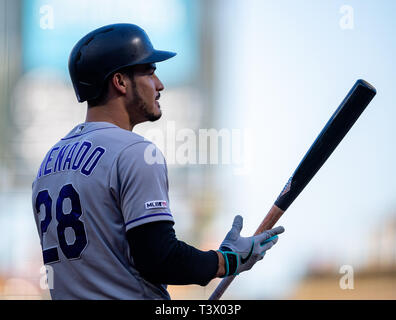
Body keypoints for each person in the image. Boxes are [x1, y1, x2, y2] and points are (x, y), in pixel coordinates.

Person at [31, 23, 285, 300]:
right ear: (120, 82)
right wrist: (226, 260)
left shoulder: (49, 163)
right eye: (150, 72)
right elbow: (159, 259)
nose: (159, 84)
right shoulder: (134, 152)